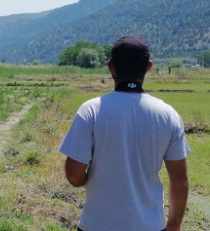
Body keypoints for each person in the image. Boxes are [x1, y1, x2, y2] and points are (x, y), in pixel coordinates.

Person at [59, 36, 190, 231]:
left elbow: (74, 175)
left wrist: (87, 180)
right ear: (148, 67)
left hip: (97, 225)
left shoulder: (91, 111)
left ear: (111, 67)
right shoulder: (167, 115)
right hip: (150, 225)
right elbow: (179, 180)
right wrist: (174, 225)